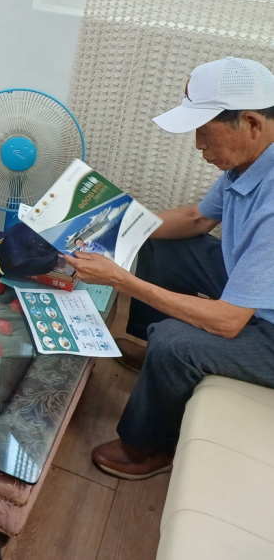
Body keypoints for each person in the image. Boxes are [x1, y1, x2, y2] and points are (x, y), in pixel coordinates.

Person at [67, 57, 274, 481]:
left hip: (263, 324)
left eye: (204, 132)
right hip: (253, 286)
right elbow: (197, 218)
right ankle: (153, 356)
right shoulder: (249, 163)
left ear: (252, 124)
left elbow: (230, 320)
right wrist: (115, 226)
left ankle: (148, 447)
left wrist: (121, 279)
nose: (198, 145)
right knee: (162, 245)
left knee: (175, 342)